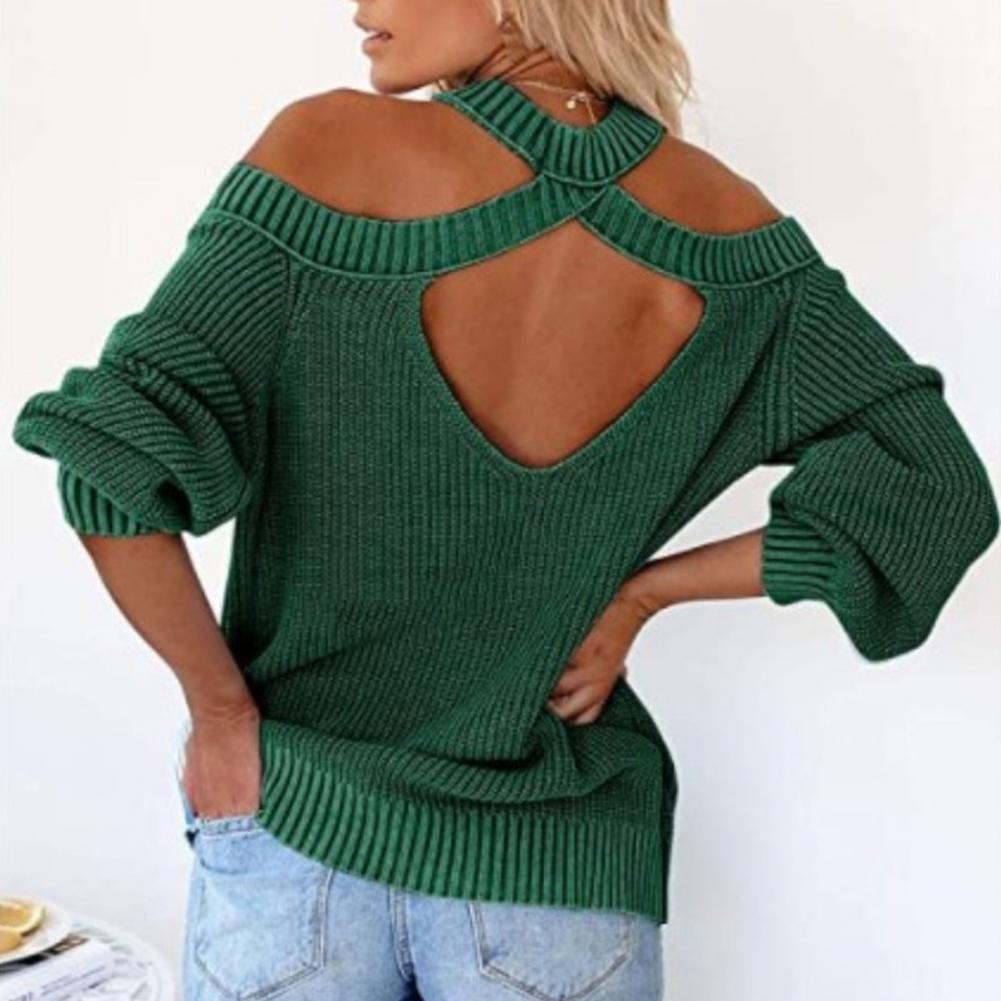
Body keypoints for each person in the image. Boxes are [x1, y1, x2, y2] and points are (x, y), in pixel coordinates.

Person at [10, 1, 999, 999]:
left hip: (300, 830)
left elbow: (108, 464)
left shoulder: (327, 152)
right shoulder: (731, 227)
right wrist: (642, 593)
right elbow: (934, 488)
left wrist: (221, 714)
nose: (361, 9)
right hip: (559, 871)